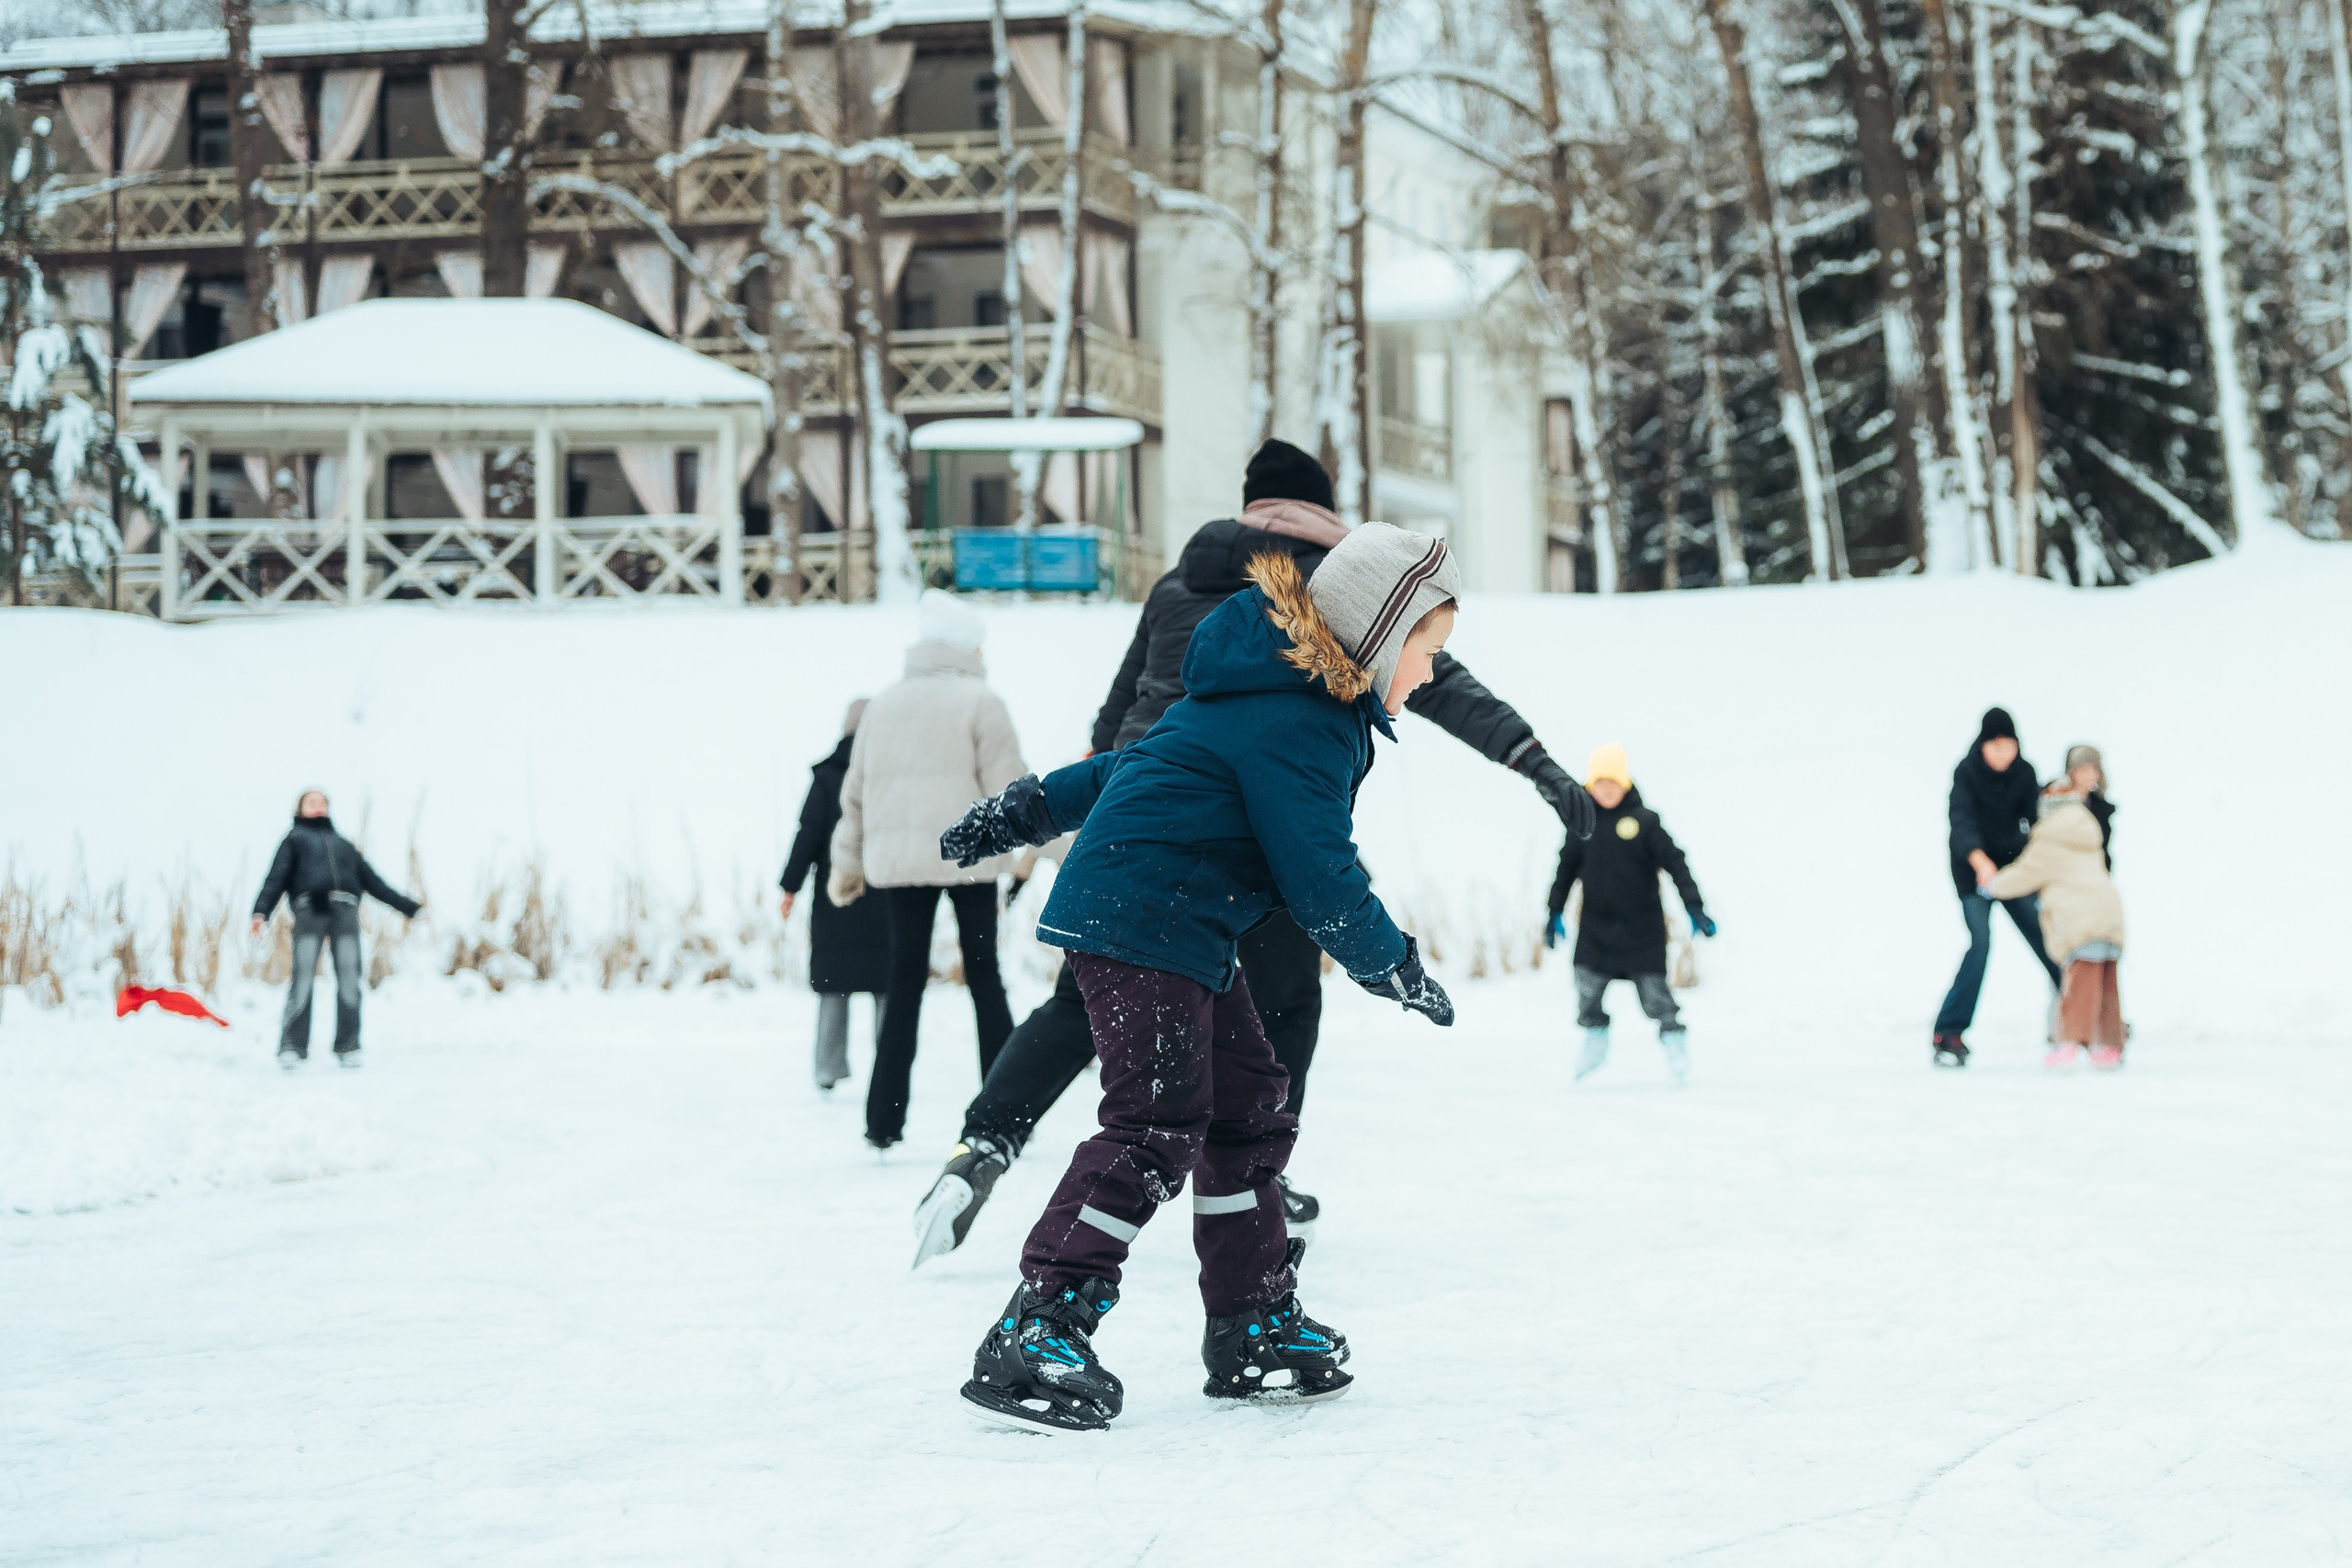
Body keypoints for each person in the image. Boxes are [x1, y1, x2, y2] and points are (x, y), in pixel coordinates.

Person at [909, 438, 1593, 1266]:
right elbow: (1438, 684)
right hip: (1254, 848)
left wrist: (1094, 814)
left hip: (1140, 828)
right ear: (1320, 505)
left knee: (1079, 1010)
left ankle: (983, 1141)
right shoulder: (1339, 588)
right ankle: (1249, 1180)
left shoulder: (1178, 582)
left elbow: (1120, 711)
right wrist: (1533, 761)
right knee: (1280, 1014)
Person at [937, 525, 1461, 1433]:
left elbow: (1120, 770)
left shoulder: (1259, 695)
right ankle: (1041, 1320)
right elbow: (1318, 874)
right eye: (1428, 648)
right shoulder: (1305, 720)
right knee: (1155, 1121)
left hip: (1169, 920)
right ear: (1380, 632)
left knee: (1246, 1106)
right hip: (1149, 919)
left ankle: (1251, 1317)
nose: (1431, 673)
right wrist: (1392, 964)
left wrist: (1013, 814)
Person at [829, 591, 1025, 1150]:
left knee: (904, 984)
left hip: (899, 867)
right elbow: (1010, 790)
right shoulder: (982, 701)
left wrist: (847, 866)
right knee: (985, 979)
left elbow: (855, 795)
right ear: (966, 646)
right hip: (972, 860)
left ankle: (883, 1122)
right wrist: (1048, 848)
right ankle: (1007, 1113)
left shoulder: (885, 704)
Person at [1544, 742, 1713, 1084]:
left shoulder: (1645, 821)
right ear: (1588, 787)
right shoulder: (1581, 825)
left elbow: (1676, 863)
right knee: (1586, 984)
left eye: (1613, 783)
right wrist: (1554, 911)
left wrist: (1695, 906)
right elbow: (1565, 869)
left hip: (1642, 929)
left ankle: (1674, 1039)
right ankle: (1594, 1038)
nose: (1607, 791)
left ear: (1625, 784)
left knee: (1655, 994)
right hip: (1596, 928)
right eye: (1599, 784)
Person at [249, 789, 423, 1069]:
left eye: (323, 803)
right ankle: (292, 1046)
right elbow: (275, 878)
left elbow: (374, 882)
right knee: (303, 978)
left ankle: (348, 1045)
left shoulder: (343, 844)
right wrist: (260, 912)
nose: (318, 807)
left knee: (350, 978)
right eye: (312, 802)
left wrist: (410, 908)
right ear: (300, 809)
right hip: (310, 910)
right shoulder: (294, 840)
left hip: (345, 911)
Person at [1932, 706, 2064, 1068]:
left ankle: (2081, 1017)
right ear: (1984, 744)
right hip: (1975, 875)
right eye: (1997, 746)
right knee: (1980, 943)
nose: (2004, 754)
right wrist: (1979, 860)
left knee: (2046, 938)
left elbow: (2036, 818)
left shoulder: (2024, 773)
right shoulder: (1966, 772)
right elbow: (1960, 822)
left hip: (2012, 871)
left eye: (2010, 746)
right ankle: (1949, 1031)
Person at [780, 698, 892, 1091]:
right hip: (883, 894)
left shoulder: (827, 775)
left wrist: (789, 886)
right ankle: (889, 1065)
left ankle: (828, 1070)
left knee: (834, 982)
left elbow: (807, 833)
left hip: (836, 896)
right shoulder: (888, 774)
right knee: (886, 986)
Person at [1988, 776, 2128, 1070]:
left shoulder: (2049, 839)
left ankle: (2067, 1043)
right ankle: (2108, 1046)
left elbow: (2023, 875)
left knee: (2078, 984)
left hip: (2080, 922)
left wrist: (1992, 885)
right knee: (2106, 986)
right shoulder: (2088, 835)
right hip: (2110, 915)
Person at [2065, 743, 2119, 869]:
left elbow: (2103, 847)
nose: (2090, 776)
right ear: (2072, 772)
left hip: (2093, 873)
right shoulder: (2055, 801)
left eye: (2094, 770)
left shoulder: (2100, 807)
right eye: (2083, 770)